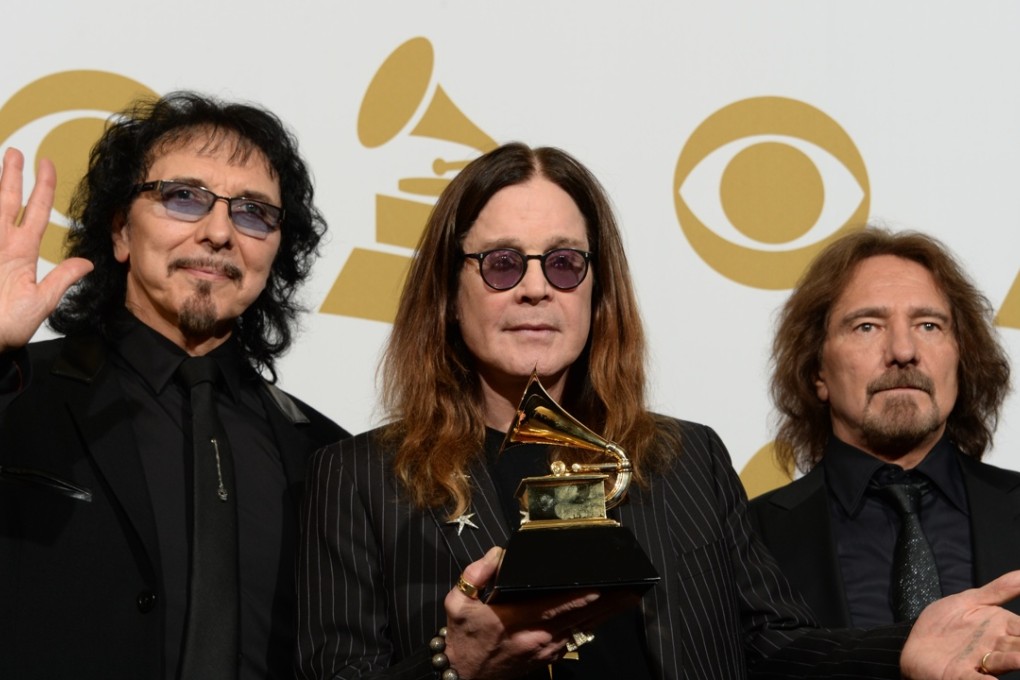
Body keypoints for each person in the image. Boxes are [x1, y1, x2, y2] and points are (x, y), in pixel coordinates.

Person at [296, 143, 1020, 680]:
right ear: (450, 294)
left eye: (565, 263)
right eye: (502, 264)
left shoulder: (689, 460)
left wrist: (903, 644)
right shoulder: (359, 478)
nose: (535, 289)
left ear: (595, 291)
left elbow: (773, 645)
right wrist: (452, 668)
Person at [0, 92, 348, 680]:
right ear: (119, 231)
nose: (218, 232)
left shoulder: (328, 457)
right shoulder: (19, 388)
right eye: (183, 197)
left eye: (253, 213)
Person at [748, 228, 1017, 631]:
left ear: (962, 358)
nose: (904, 352)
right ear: (817, 370)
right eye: (867, 326)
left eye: (928, 325)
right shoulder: (753, 536)